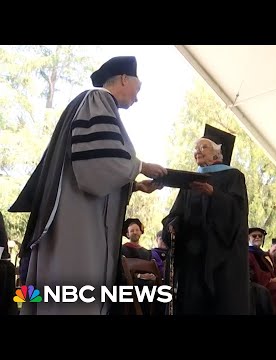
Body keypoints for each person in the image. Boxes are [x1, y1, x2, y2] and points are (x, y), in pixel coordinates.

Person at [9, 56, 167, 315]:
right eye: (138, 89)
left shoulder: (91, 104)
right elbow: (97, 166)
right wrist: (142, 166)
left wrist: (135, 186)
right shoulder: (98, 99)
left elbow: (96, 165)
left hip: (78, 215)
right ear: (125, 78)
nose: (137, 98)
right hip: (78, 222)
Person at [161, 124, 250, 315]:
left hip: (222, 258)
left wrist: (214, 194)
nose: (197, 151)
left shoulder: (233, 176)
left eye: (204, 147)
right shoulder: (190, 180)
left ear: (217, 154)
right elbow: (175, 213)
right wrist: (172, 225)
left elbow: (238, 213)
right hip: (193, 259)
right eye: (196, 148)